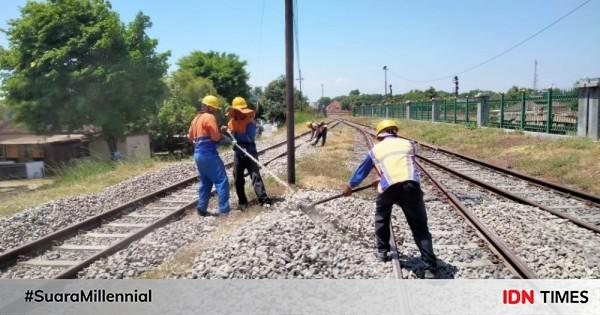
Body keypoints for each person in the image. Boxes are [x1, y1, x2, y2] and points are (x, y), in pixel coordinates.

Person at [342, 119, 438, 279]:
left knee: (381, 216)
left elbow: (362, 171)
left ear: (379, 136)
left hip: (389, 188)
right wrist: (382, 178)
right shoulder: (408, 144)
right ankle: (430, 268)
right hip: (411, 186)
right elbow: (403, 165)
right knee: (419, 227)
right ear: (395, 132)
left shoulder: (376, 150)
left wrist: (350, 186)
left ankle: (382, 251)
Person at [222, 97, 271, 209]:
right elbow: (229, 139)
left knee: (255, 176)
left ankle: (264, 200)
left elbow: (249, 138)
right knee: (238, 178)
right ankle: (242, 202)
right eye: (235, 111)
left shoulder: (250, 122)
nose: (237, 113)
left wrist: (236, 135)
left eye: (239, 111)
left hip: (250, 153)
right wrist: (225, 133)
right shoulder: (231, 122)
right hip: (238, 154)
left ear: (243, 110)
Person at [188, 95, 230, 216]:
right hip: (208, 154)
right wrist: (221, 133)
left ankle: (201, 209)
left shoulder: (196, 118)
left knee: (205, 182)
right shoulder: (210, 117)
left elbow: (189, 137)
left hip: (198, 154)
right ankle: (224, 211)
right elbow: (215, 137)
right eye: (214, 108)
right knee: (221, 180)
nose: (215, 111)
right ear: (210, 107)